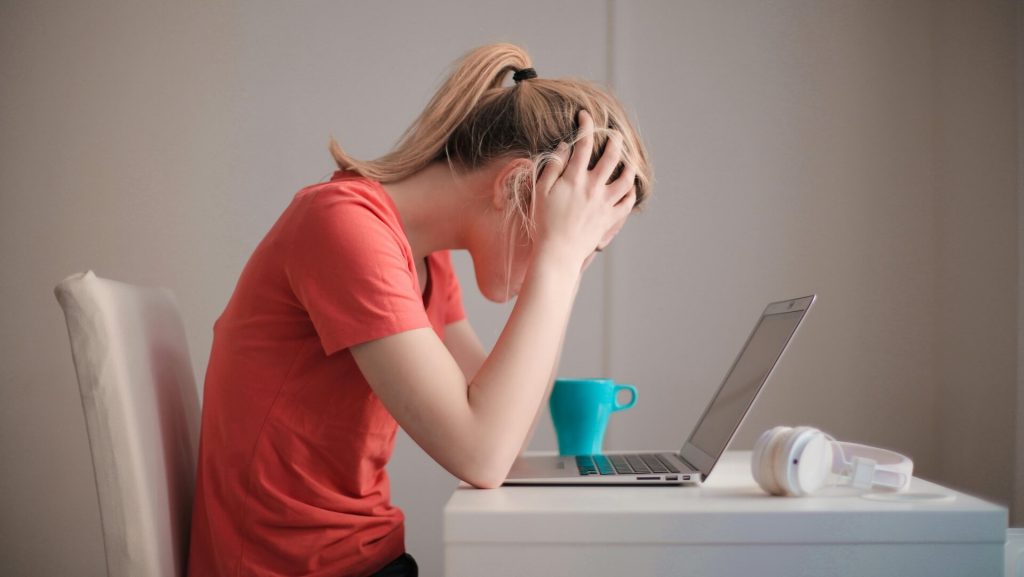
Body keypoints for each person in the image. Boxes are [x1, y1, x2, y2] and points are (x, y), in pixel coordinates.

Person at [186, 42, 652, 577]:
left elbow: (508, 428)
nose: (575, 257)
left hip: (367, 561)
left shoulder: (424, 262)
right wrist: (559, 259)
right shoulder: (343, 227)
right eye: (578, 236)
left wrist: (562, 267)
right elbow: (482, 454)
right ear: (515, 186)